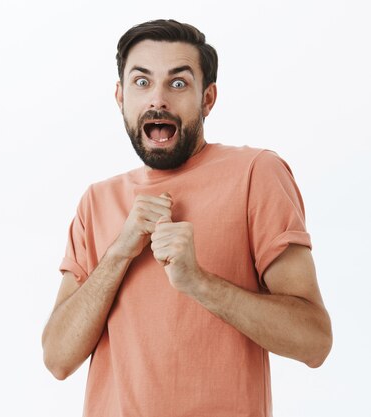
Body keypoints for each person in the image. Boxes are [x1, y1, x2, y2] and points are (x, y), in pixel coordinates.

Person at [41, 19, 332, 417]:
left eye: (178, 84)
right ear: (120, 96)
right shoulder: (97, 200)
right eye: (141, 82)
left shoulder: (256, 174)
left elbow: (314, 341)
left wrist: (199, 283)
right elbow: (57, 358)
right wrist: (119, 254)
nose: (157, 100)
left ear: (207, 99)